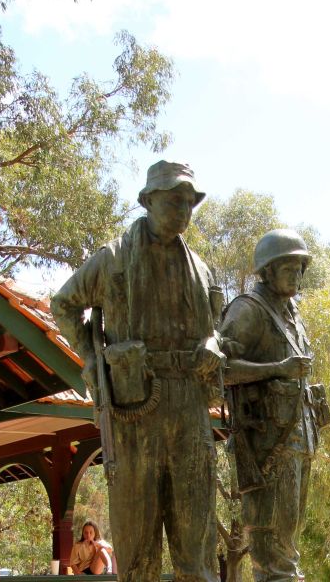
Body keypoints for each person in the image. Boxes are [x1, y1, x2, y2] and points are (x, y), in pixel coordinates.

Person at [51, 161, 224, 582]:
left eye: (189, 201)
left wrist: (215, 345)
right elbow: (64, 304)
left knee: (196, 536)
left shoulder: (201, 270)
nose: (183, 209)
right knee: (136, 541)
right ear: (148, 201)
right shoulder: (114, 259)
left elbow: (216, 328)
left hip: (189, 404)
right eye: (173, 200)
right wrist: (94, 363)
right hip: (136, 405)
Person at [219, 229, 328, 582]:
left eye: (300, 269)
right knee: (272, 547)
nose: (296, 276)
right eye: (288, 269)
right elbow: (219, 370)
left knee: (288, 542)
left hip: (300, 438)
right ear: (266, 272)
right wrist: (276, 370)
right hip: (267, 447)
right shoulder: (248, 310)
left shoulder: (292, 314)